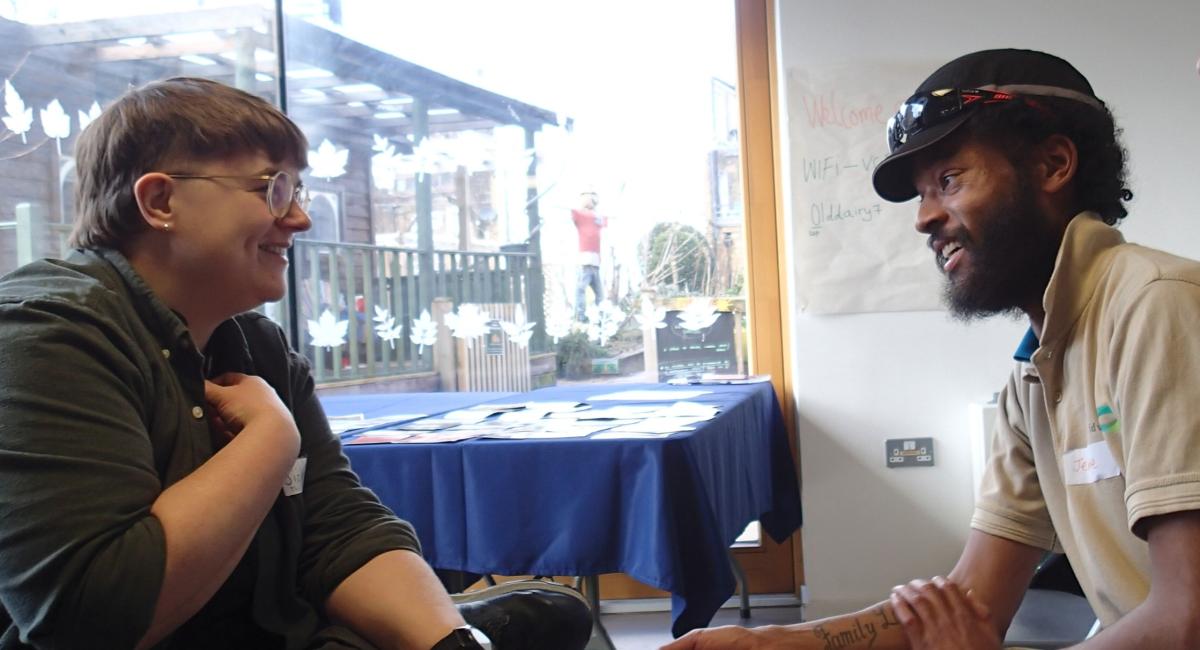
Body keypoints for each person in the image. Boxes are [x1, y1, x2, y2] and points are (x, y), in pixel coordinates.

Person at [0, 77, 590, 650]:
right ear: (161, 201)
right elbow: (85, 620)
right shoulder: (46, 335)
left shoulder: (256, 346)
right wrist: (269, 441)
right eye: (272, 189)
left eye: (297, 192)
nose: (300, 218)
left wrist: (449, 644)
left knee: (546, 618)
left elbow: (338, 529)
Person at [663, 49, 1200, 649]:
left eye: (948, 180)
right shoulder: (1034, 372)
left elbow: (1187, 619)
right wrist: (769, 642)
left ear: (1053, 164)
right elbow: (972, 603)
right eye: (922, 194)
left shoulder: (1156, 305)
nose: (923, 218)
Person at [571, 189, 607, 321]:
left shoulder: (598, 217)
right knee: (581, 289)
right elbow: (574, 214)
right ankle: (580, 317)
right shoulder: (580, 215)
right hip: (585, 260)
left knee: (599, 295)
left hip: (595, 261)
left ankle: (602, 320)